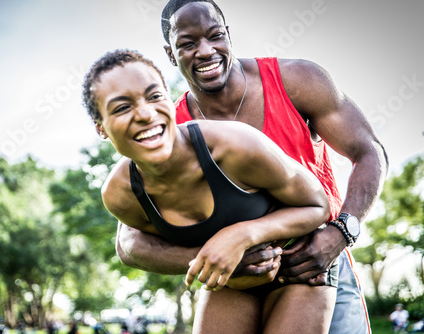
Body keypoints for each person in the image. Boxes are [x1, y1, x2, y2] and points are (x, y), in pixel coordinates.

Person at [115, 0, 388, 333]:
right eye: (187, 43)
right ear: (171, 54)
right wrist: (219, 254)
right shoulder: (173, 132)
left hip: (317, 256)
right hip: (237, 279)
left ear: (228, 36)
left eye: (214, 36)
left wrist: (342, 232)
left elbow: (369, 152)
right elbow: (129, 242)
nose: (205, 51)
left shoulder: (296, 80)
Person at [83, 49, 336, 333]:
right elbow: (136, 248)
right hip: (230, 280)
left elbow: (318, 206)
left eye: (154, 96)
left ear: (169, 98)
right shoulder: (121, 195)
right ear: (101, 128)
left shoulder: (234, 144)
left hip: (298, 266)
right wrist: (213, 257)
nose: (145, 114)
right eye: (121, 107)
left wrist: (240, 236)